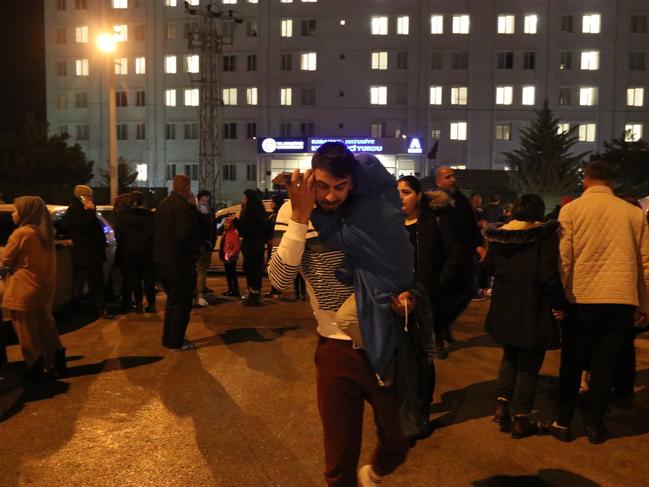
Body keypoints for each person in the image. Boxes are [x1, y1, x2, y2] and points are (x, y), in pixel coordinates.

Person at [268, 143, 410, 487]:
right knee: (338, 461)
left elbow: (398, 260)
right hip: (334, 349)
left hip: (384, 340)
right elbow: (280, 280)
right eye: (323, 186)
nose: (331, 197)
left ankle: (373, 475)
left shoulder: (366, 208)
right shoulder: (291, 211)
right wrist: (300, 218)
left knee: (399, 439)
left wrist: (410, 295)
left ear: (351, 183)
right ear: (312, 177)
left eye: (340, 187)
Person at [550, 160, 649, 444]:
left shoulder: (571, 210)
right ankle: (595, 424)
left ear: (586, 180)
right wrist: (644, 303)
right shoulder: (634, 214)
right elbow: (645, 264)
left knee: (572, 362)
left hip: (581, 298)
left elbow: (564, 259)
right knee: (605, 364)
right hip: (620, 299)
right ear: (613, 183)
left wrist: (562, 298)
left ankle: (563, 420)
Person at [482, 194, 568, 439]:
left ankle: (502, 407)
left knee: (509, 356)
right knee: (529, 364)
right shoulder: (544, 237)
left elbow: (486, 268)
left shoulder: (499, 236)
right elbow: (548, 276)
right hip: (533, 307)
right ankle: (521, 419)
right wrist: (560, 304)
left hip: (505, 307)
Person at [397, 175, 467, 432]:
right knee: (401, 356)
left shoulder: (435, 220)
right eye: (398, 192)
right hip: (399, 298)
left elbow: (456, 254)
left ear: (418, 195)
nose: (400, 197)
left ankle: (422, 409)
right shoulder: (395, 223)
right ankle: (407, 407)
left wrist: (436, 285)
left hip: (426, 298)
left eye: (405, 192)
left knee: (423, 356)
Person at [0, 196, 66, 380]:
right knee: (46, 328)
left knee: (26, 333)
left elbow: (5, 262)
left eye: (15, 210)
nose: (13, 214)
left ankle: (34, 368)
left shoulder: (21, 234)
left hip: (21, 289)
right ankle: (57, 362)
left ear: (25, 213)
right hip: (40, 287)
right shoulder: (46, 234)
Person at [433, 166, 482, 355]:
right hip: (443, 259)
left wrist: (478, 244)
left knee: (467, 293)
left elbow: (472, 225)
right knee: (441, 299)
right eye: (448, 177)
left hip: (464, 257)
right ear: (439, 181)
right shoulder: (434, 202)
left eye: (453, 176)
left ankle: (444, 325)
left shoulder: (461, 200)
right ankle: (438, 337)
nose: (453, 179)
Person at [153, 175, 200, 351]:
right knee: (182, 303)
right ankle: (176, 341)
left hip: (162, 261)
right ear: (187, 187)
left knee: (173, 301)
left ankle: (168, 338)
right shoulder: (184, 208)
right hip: (179, 263)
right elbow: (185, 236)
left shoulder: (163, 205)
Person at [64, 184, 113, 319]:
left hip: (91, 252)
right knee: (94, 281)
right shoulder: (75, 211)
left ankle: (97, 306)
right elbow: (84, 225)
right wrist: (90, 211)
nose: (92, 198)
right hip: (86, 252)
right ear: (81, 196)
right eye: (89, 195)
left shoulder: (83, 209)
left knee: (95, 280)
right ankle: (98, 308)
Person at [113, 191, 156, 314]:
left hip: (130, 253)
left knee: (134, 279)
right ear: (144, 202)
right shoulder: (151, 217)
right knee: (149, 280)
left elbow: (118, 235)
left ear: (132, 203)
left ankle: (138, 304)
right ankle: (151, 304)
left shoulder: (124, 217)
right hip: (147, 252)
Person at [235, 189, 267, 307]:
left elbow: (244, 230)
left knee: (251, 270)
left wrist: (236, 222)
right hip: (256, 245)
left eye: (245, 198)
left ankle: (253, 295)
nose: (243, 201)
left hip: (251, 246)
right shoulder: (259, 211)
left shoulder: (250, 213)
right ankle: (254, 293)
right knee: (255, 270)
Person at [195, 190, 216, 307]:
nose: (205, 203)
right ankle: (199, 295)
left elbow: (212, 230)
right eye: (203, 200)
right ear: (199, 200)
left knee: (202, 269)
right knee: (200, 270)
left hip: (206, 245)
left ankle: (199, 292)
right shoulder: (196, 212)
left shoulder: (210, 212)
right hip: (199, 245)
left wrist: (212, 242)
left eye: (207, 201)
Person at [264, 193, 285, 299]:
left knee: (275, 266)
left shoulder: (279, 216)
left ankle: (275, 290)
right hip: (271, 243)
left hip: (276, 244)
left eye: (272, 202)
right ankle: (274, 289)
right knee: (271, 266)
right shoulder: (273, 215)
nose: (271, 204)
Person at [220, 216, 240, 297]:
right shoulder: (226, 233)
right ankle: (230, 289)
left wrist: (231, 254)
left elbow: (237, 246)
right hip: (226, 257)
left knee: (232, 274)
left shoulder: (234, 233)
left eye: (228, 223)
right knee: (229, 274)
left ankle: (234, 290)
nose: (225, 224)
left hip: (231, 258)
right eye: (225, 222)